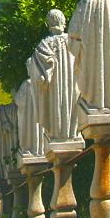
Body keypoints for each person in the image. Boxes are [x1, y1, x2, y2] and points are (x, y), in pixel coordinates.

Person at [27, 10, 78, 142]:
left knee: (57, 105)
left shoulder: (44, 45)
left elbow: (35, 71)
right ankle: (72, 132)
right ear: (63, 21)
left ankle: (58, 132)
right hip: (73, 83)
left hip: (55, 88)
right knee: (71, 103)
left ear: (48, 23)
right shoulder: (73, 40)